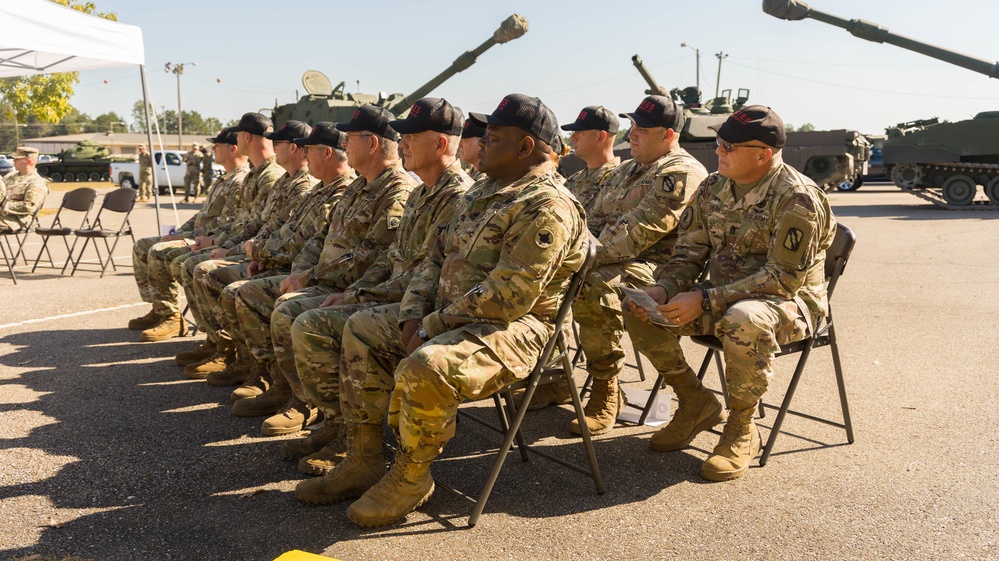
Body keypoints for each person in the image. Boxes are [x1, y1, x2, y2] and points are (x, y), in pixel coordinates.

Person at [294, 93, 587, 529]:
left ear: (525, 148)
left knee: (427, 364)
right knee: (360, 328)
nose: (479, 144)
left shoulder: (547, 206)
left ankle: (411, 477)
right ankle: (363, 456)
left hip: (514, 330)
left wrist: (429, 326)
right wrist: (412, 315)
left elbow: (508, 295)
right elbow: (433, 259)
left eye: (492, 137)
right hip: (448, 317)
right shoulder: (486, 191)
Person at [628, 105, 836, 481]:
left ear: (763, 154)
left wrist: (705, 300)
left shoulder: (797, 198)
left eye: (729, 145)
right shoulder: (713, 187)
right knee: (638, 306)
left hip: (788, 306)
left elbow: (783, 280)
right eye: (719, 141)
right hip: (724, 297)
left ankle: (742, 427)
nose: (719, 150)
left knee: (744, 319)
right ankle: (694, 401)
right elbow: (689, 253)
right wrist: (664, 288)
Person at [284, 98, 471, 474]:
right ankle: (345, 430)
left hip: (423, 308)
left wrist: (360, 298)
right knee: (309, 316)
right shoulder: (423, 193)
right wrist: (353, 294)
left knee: (322, 325)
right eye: (400, 136)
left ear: (439, 144)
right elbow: (391, 259)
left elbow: (429, 274)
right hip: (398, 295)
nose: (401, 143)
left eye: (411, 136)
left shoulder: (456, 196)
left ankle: (361, 450)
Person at [226, 104, 415, 420]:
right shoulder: (359, 186)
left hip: (351, 287)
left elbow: (368, 257)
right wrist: (300, 271)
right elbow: (320, 238)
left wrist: (308, 278)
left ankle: (319, 410)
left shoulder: (396, 191)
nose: (344, 144)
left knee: (288, 311)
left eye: (350, 138)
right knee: (255, 293)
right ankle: (287, 389)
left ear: (372, 143)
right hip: (325, 281)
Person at [568, 95, 708, 436]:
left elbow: (637, 233)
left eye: (643, 130)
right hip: (619, 260)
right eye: (632, 127)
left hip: (664, 269)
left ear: (669, 135)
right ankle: (553, 376)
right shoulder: (627, 170)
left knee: (590, 279)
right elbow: (594, 222)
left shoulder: (680, 172)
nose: (632, 135)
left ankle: (606, 387)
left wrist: (574, 258)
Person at [127, 128, 250, 337]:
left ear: (233, 149)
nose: (213, 149)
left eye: (217, 145)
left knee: (158, 251)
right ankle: (160, 308)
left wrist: (186, 237)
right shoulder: (223, 179)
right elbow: (202, 214)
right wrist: (179, 232)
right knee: (142, 245)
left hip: (210, 239)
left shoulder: (240, 181)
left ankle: (172, 317)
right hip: (196, 234)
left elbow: (225, 222)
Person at [561, 105, 621, 215]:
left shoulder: (621, 180)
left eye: (580, 132)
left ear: (600, 137)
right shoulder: (572, 180)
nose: (572, 137)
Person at [0, 147, 49, 234]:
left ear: (29, 161)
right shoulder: (9, 176)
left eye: (18, 159)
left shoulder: (37, 182)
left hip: (18, 220)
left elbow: (29, 206)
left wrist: (4, 206)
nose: (14, 160)